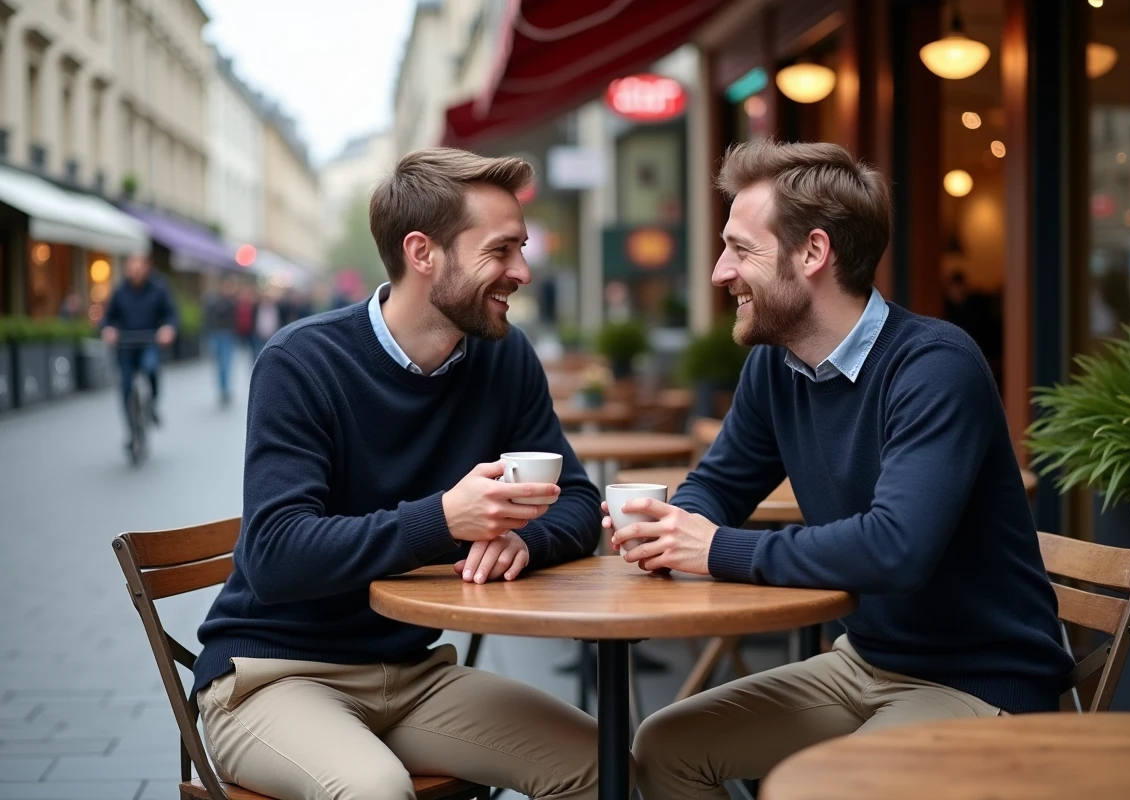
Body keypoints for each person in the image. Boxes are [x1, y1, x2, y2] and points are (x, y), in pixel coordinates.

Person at [607, 141, 1074, 800]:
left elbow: (896, 550)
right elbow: (721, 483)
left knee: (808, 790)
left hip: (980, 680)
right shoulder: (778, 365)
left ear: (813, 254)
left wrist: (713, 548)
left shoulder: (934, 367)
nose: (719, 272)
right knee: (665, 746)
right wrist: (667, 526)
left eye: (741, 250)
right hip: (864, 662)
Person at [192, 148, 607, 800]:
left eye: (521, 248)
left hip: (411, 673)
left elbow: (579, 500)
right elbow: (274, 554)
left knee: (601, 762)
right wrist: (444, 519)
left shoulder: (503, 357)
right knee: (376, 791)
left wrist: (524, 539)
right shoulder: (303, 362)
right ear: (423, 253)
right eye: (501, 251)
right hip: (271, 677)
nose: (522, 271)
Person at [100, 253, 177, 446]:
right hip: (125, 345)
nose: (135, 272)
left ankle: (151, 405)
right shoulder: (120, 291)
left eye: (139, 267)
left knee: (150, 369)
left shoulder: (159, 289)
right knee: (125, 388)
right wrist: (108, 330)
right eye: (131, 268)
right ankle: (132, 432)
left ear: (147, 268)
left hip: (150, 342)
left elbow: (171, 315)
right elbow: (107, 319)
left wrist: (168, 329)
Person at [202, 275, 239, 406]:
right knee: (219, 364)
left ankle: (225, 389)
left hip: (228, 335)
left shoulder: (232, 301)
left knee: (226, 363)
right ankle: (222, 389)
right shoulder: (214, 299)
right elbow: (208, 317)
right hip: (216, 334)